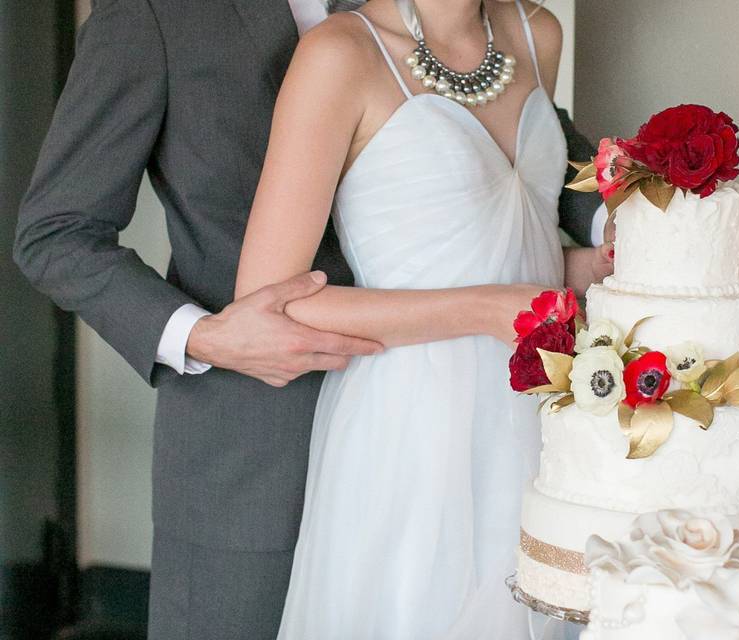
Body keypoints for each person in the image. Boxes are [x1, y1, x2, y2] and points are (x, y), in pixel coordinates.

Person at [13, 0, 607, 637]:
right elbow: (57, 233)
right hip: (254, 440)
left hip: (477, 419)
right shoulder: (155, 14)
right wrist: (204, 335)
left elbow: (523, 131)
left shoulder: (458, 15)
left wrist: (618, 224)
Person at [233, 1, 607, 636]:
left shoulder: (536, 31)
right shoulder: (340, 54)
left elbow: (511, 238)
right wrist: (487, 310)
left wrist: (589, 264)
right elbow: (276, 305)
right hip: (412, 424)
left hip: (547, 414)